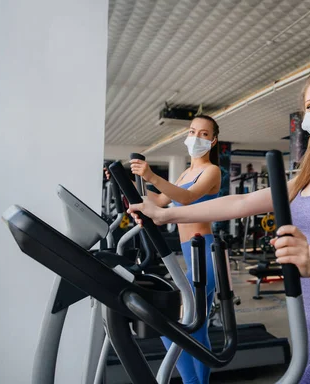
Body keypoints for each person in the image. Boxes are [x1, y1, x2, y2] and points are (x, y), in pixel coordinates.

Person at [128, 67, 310, 383]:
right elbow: (237, 204)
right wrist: (165, 215)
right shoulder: (303, 180)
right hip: (308, 333)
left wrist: (309, 261)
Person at [111, 115, 221, 384]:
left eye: (204, 134)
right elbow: (160, 199)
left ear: (213, 140)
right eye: (193, 131)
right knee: (199, 326)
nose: (197, 137)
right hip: (190, 253)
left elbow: (187, 197)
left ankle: (193, 382)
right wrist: (124, 180)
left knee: (170, 322)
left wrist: (151, 175)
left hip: (205, 251)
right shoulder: (184, 173)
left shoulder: (212, 171)